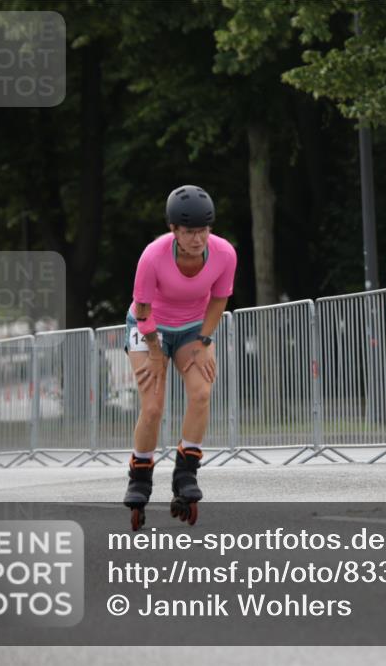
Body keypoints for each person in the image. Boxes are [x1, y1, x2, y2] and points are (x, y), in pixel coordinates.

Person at [122, 185, 237, 529]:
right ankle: (140, 476)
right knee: (153, 406)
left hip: (191, 328)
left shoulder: (224, 254)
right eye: (189, 232)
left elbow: (219, 299)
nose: (198, 239)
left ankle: (185, 472)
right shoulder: (153, 255)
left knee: (201, 392)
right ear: (173, 230)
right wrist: (156, 353)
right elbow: (142, 310)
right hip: (148, 327)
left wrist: (204, 339)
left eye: (204, 230)